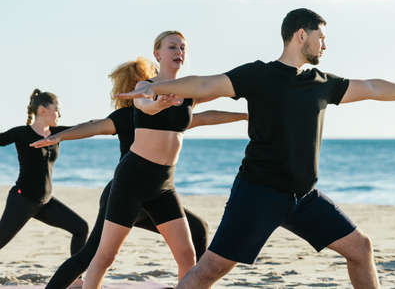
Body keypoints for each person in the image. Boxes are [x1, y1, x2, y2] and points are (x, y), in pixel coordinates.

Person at [117, 9, 395, 289]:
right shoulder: (258, 75)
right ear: (301, 36)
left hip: (304, 197)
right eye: (321, 37)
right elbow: (206, 83)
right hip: (257, 193)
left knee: (360, 248)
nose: (325, 45)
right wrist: (157, 86)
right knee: (210, 270)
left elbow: (373, 87)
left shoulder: (322, 83)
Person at [30, 57, 247, 289]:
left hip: (157, 191)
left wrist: (244, 116)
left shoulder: (173, 113)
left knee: (197, 230)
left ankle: (195, 283)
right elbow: (94, 126)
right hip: (125, 191)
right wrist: (60, 135)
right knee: (94, 255)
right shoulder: (126, 116)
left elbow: (204, 118)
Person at [82, 31, 241, 289]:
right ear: (158, 54)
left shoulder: (188, 90)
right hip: (132, 180)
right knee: (105, 256)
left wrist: (247, 114)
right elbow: (146, 105)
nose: (179, 51)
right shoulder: (145, 86)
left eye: (182, 47)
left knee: (187, 255)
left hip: (163, 184)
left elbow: (216, 96)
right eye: (172, 47)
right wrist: (159, 105)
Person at [0, 89, 88, 257]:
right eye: (57, 109)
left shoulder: (58, 134)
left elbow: (85, 128)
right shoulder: (21, 133)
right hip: (22, 201)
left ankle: (75, 280)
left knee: (80, 228)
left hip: (45, 203)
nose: (60, 114)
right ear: (42, 110)